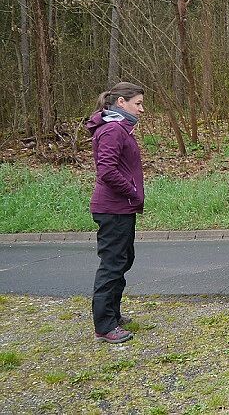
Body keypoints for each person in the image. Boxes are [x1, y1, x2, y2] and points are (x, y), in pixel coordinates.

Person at [85, 82, 146, 344]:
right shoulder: (112, 129)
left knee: (123, 260)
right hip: (112, 208)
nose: (142, 109)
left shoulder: (121, 128)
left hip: (122, 208)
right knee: (111, 265)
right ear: (121, 102)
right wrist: (132, 191)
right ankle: (104, 325)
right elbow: (107, 171)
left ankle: (113, 314)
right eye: (138, 103)